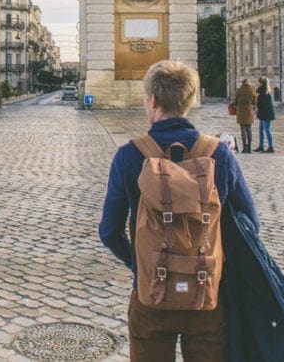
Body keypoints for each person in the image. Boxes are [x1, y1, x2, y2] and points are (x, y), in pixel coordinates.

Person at [99, 60, 259, 361]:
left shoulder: (129, 156)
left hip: (151, 297)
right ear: (191, 100)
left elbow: (108, 232)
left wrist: (140, 264)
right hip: (205, 295)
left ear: (153, 100)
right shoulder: (219, 154)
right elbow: (250, 225)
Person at [232, 78, 257, 153]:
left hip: (241, 110)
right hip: (249, 109)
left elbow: (235, 101)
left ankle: (244, 147)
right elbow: (254, 101)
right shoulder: (252, 89)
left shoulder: (239, 90)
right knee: (249, 128)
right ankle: (249, 147)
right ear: (248, 82)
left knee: (242, 128)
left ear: (242, 83)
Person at [255, 76, 275, 153]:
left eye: (258, 82)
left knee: (267, 129)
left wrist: (256, 108)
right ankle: (261, 146)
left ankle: (270, 146)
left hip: (265, 113)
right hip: (265, 113)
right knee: (261, 129)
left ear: (261, 83)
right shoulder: (266, 90)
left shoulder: (261, 91)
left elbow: (260, 103)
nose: (257, 83)